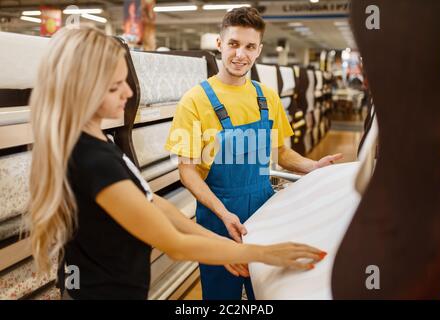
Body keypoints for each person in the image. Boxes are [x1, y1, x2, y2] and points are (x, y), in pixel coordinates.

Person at [26, 27, 325, 300]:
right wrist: (263, 253)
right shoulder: (91, 159)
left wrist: (233, 248)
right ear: (83, 88)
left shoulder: (99, 143)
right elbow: (175, 243)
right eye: (116, 86)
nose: (129, 93)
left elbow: (152, 202)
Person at [165, 7, 342, 300]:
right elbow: (187, 171)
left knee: (268, 291)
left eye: (249, 46)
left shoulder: (266, 97)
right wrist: (224, 214)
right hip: (218, 217)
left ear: (258, 50)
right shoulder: (194, 101)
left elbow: (281, 152)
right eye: (233, 44)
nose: (240, 54)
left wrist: (313, 166)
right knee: (222, 296)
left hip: (265, 210)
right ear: (220, 45)